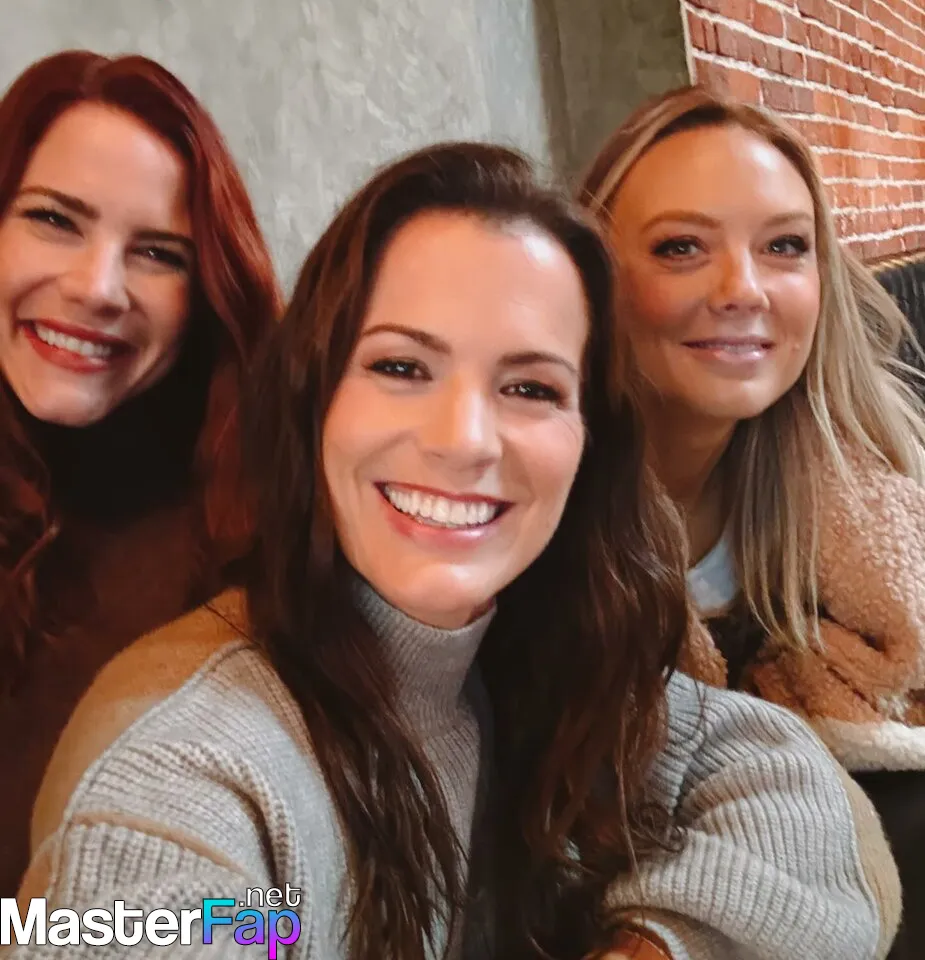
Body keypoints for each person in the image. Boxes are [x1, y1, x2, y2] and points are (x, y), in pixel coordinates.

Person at [14, 143, 897, 960]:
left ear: (587, 443)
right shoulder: (186, 766)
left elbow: (791, 789)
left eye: (529, 387)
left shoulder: (530, 650)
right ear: (313, 398)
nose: (463, 439)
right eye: (401, 367)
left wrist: (659, 945)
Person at [578, 84, 924, 957]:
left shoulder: (868, 495)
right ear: (590, 278)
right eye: (680, 247)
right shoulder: (532, 527)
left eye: (783, 246)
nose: (742, 289)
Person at [0, 50, 281, 893]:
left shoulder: (261, 529)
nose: (97, 287)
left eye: (158, 253)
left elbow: (279, 924)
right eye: (54, 219)